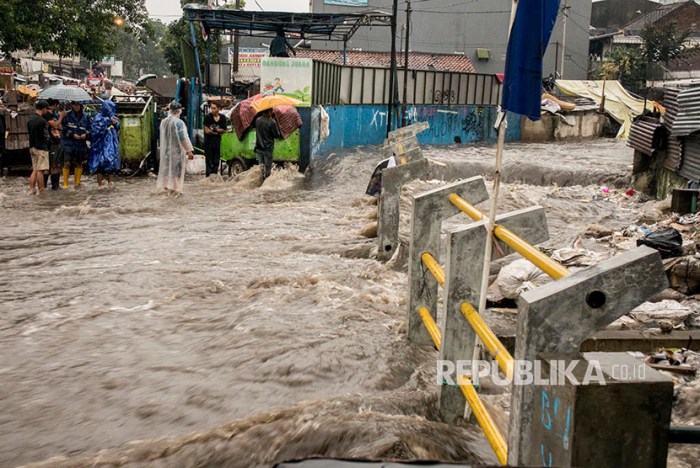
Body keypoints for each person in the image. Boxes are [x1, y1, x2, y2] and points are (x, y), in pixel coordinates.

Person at [157, 102, 194, 196]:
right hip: (176, 151)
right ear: (178, 111)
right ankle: (177, 189)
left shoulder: (164, 122)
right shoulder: (179, 123)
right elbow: (183, 138)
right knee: (176, 171)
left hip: (167, 151)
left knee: (166, 170)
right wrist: (189, 151)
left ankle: (165, 188)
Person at [88, 100, 120, 188]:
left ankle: (110, 183)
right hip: (99, 146)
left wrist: (115, 123)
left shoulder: (113, 117)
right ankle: (100, 185)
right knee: (100, 166)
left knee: (110, 163)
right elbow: (95, 130)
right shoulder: (98, 118)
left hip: (110, 145)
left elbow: (118, 127)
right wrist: (106, 123)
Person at [62, 100, 91, 188]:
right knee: (67, 162)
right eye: (75, 104)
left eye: (78, 105)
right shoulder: (67, 116)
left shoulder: (86, 117)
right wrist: (71, 134)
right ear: (72, 105)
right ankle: (65, 184)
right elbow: (63, 129)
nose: (77, 106)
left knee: (79, 162)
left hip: (80, 144)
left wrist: (85, 134)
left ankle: (77, 183)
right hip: (69, 144)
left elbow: (90, 129)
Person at [27, 100, 50, 195]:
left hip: (32, 147)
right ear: (43, 108)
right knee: (41, 171)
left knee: (35, 170)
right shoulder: (42, 121)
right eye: (46, 109)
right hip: (41, 148)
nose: (47, 111)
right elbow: (46, 136)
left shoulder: (30, 119)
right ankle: (41, 191)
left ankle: (31, 189)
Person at [203, 101, 229, 177]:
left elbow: (224, 130)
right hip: (208, 142)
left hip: (217, 142)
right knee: (209, 161)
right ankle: (208, 177)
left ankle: (214, 177)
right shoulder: (208, 117)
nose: (212, 110)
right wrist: (217, 131)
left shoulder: (223, 118)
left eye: (214, 108)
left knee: (216, 161)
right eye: (211, 108)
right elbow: (207, 131)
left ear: (219, 109)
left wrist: (214, 130)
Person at [254, 108, 281, 180]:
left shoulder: (257, 120)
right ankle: (266, 185)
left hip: (259, 147)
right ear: (269, 111)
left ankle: (261, 181)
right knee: (268, 169)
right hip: (268, 149)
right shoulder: (272, 122)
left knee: (261, 168)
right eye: (271, 111)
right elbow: (276, 135)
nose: (272, 112)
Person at [45, 99, 65, 190]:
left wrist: (59, 119)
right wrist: (61, 116)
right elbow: (55, 126)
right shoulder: (47, 115)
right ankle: (48, 186)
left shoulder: (53, 115)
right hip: (51, 143)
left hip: (57, 142)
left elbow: (58, 127)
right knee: (52, 165)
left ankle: (55, 186)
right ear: (55, 105)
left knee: (56, 164)